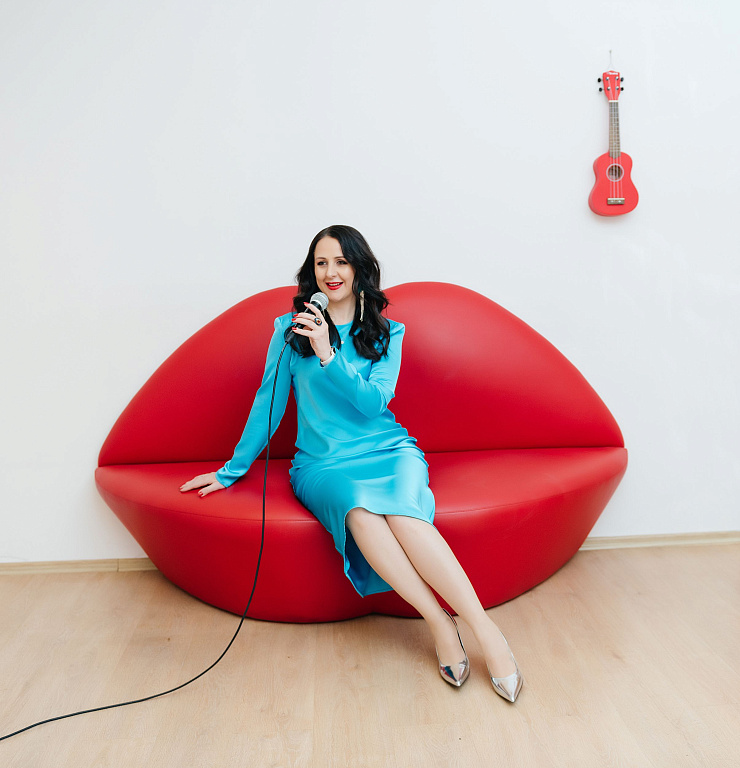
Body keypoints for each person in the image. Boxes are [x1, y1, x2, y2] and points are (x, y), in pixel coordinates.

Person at [179, 225, 524, 702]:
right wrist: (230, 470)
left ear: (360, 268)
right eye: (321, 263)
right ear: (311, 272)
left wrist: (329, 354)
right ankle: (440, 624)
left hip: (389, 451)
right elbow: (268, 404)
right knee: (358, 510)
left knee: (405, 515)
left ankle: (486, 631)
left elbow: (372, 404)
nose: (331, 272)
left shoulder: (388, 332)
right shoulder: (289, 330)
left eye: (341, 261)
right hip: (323, 465)